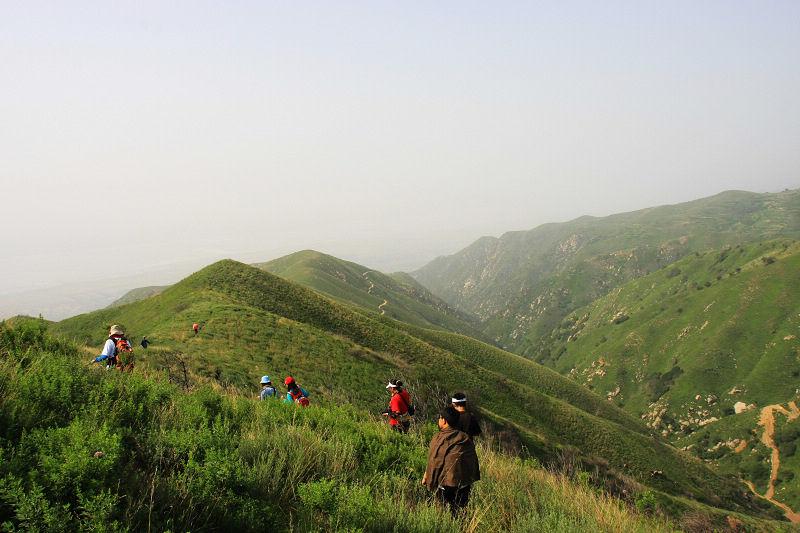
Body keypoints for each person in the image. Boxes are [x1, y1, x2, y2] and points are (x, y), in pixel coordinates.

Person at [422, 406, 480, 516]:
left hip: (445, 485)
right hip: (464, 484)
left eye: (440, 418)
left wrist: (428, 479)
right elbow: (472, 461)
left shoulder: (438, 438)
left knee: (444, 513)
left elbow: (434, 461)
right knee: (461, 513)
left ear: (444, 420)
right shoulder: (465, 438)